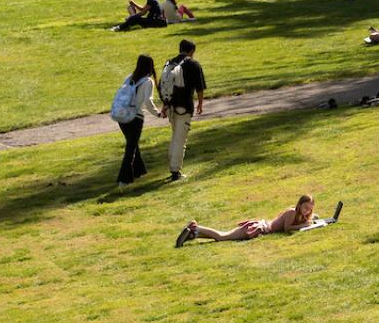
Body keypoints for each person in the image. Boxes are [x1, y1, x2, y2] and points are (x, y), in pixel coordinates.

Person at [176, 194, 318, 246]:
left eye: (309, 209)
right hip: (259, 228)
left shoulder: (300, 215)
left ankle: (192, 234)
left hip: (260, 226)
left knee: (222, 238)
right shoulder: (292, 212)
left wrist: (312, 219)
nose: (307, 211)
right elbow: (287, 229)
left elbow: (307, 219)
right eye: (305, 207)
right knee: (222, 236)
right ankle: (196, 228)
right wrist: (304, 225)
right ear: (299, 204)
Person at [161, 39, 206, 182]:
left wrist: (165, 104)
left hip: (171, 106)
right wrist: (200, 104)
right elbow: (200, 88)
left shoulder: (169, 63)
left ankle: (172, 165)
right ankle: (175, 171)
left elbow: (163, 85)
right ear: (191, 51)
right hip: (185, 107)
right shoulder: (193, 64)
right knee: (180, 140)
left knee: (175, 136)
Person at [115, 55, 162, 186]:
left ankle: (139, 171)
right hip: (135, 117)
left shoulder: (129, 77)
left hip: (122, 116)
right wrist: (157, 114)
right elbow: (148, 101)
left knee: (132, 143)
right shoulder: (148, 81)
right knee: (131, 148)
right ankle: (124, 179)